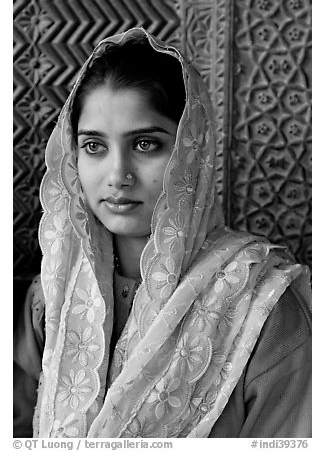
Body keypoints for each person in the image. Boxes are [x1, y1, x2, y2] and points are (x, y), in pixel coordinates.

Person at [13, 27, 311, 438]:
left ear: (192, 150)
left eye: (145, 145)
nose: (118, 176)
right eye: (94, 147)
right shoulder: (54, 297)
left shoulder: (264, 306)